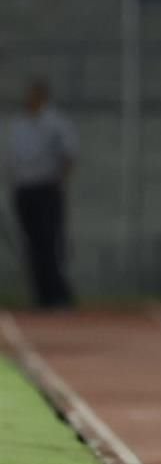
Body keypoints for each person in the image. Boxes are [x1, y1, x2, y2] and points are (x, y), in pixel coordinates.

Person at [5, 78, 77, 309]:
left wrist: (58, 181)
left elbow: (69, 154)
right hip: (24, 189)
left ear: (43, 97)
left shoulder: (56, 123)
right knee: (32, 244)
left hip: (47, 189)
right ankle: (41, 296)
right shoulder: (19, 124)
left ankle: (58, 294)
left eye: (33, 95)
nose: (29, 99)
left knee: (49, 242)